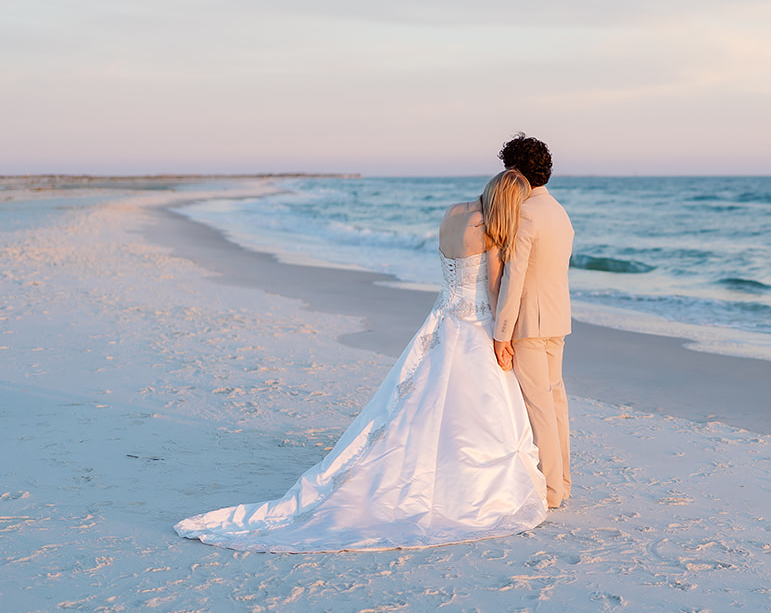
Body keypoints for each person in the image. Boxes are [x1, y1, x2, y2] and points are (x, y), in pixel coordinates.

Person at [173, 171, 548, 552]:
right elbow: (495, 288)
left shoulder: (453, 214)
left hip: (442, 317)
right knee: (474, 409)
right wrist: (506, 333)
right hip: (474, 323)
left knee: (422, 401)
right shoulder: (490, 232)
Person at [492, 134, 576, 511]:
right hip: (558, 318)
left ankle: (552, 490)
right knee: (556, 403)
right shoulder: (559, 211)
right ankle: (563, 483)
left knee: (540, 406)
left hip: (530, 323)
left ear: (514, 172)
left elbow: (515, 278)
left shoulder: (526, 213)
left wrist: (500, 332)